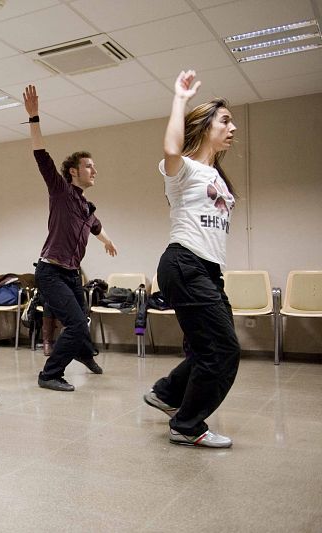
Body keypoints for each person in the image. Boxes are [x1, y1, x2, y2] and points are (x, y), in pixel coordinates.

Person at [143, 70, 240, 449]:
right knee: (223, 350)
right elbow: (171, 150)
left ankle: (167, 394)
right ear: (204, 126)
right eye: (225, 121)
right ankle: (186, 425)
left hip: (208, 270)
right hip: (184, 263)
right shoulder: (184, 169)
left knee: (210, 347)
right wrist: (180, 98)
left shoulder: (215, 174)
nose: (232, 128)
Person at [22, 84, 117, 392]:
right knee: (75, 323)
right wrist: (34, 117)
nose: (94, 171)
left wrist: (108, 242)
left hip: (72, 274)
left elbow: (96, 226)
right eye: (89, 166)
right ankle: (50, 374)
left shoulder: (85, 206)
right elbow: (41, 155)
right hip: (51, 271)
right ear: (74, 171)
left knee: (82, 320)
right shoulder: (61, 191)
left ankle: (84, 353)